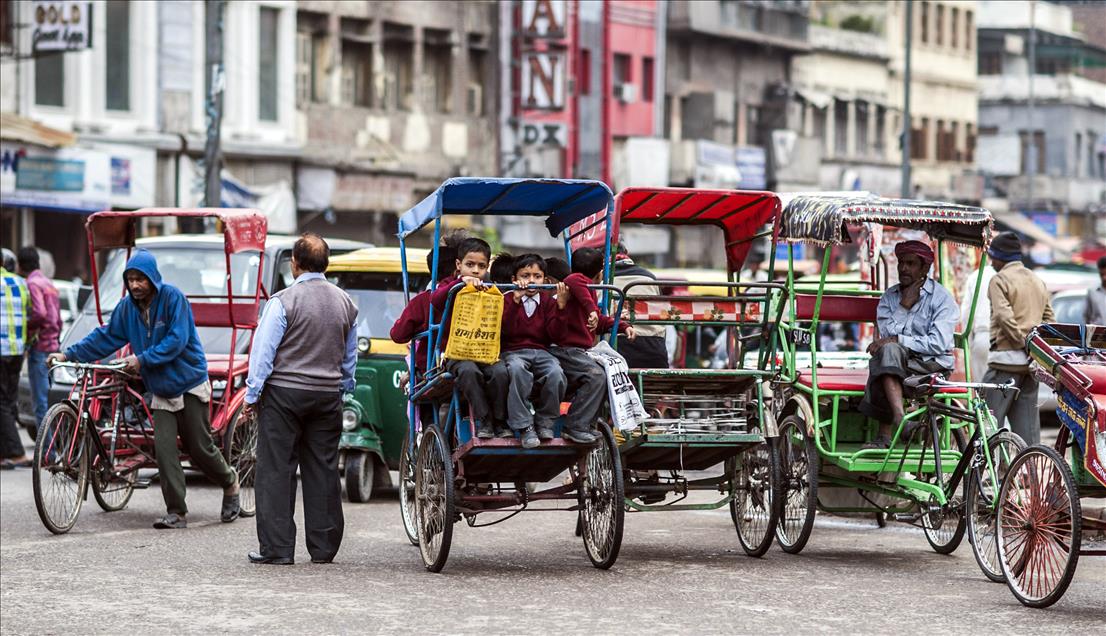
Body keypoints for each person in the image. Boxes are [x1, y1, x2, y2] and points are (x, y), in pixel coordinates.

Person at [48, 249, 240, 528]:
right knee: (164, 449)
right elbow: (107, 336)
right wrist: (68, 354)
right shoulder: (127, 308)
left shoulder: (173, 299)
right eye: (131, 280)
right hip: (161, 388)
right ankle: (177, 512)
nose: (136, 285)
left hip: (188, 382)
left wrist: (141, 359)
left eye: (141, 279)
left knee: (199, 447)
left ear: (153, 278)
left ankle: (230, 481)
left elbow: (177, 340)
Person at [244, 233, 357, 565]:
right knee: (322, 470)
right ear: (327, 264)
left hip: (284, 396)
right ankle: (323, 549)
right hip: (327, 396)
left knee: (276, 469)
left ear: (294, 263)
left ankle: (277, 549)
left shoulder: (282, 301)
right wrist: (343, 388)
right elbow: (350, 358)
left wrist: (253, 394)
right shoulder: (345, 303)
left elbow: (263, 353)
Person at [858, 241, 958, 449]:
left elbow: (937, 344)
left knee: (887, 354)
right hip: (898, 364)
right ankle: (901, 421)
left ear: (925, 268)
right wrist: (904, 306)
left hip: (932, 365)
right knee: (886, 354)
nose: (903, 268)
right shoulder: (890, 298)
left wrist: (899, 340)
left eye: (911, 264)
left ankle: (885, 434)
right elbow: (885, 337)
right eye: (901, 263)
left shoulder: (942, 299)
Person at [548, 247, 635, 443]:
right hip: (564, 350)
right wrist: (591, 310)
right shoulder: (576, 284)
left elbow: (600, 321)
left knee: (608, 374)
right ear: (599, 273)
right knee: (596, 376)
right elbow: (574, 280)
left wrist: (622, 326)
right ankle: (575, 425)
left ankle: (586, 423)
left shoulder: (588, 291)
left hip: (579, 351)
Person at [430, 237, 510, 437]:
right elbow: (436, 300)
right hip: (456, 353)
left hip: (485, 351)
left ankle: (500, 422)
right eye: (470, 265)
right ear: (459, 265)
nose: (475, 271)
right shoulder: (450, 285)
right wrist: (459, 284)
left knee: (500, 372)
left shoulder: (490, 287)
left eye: (481, 266)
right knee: (468, 371)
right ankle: (484, 421)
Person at [983, 231, 1054, 446]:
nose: (991, 261)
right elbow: (1049, 319)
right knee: (1028, 432)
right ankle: (1030, 477)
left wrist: (1024, 345)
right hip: (1030, 367)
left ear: (1000, 256)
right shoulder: (1037, 280)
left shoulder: (999, 280)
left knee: (988, 425)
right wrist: (1036, 349)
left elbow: (1005, 318)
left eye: (992, 256)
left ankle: (992, 476)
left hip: (1004, 363)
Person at [502, 254, 566, 448]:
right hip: (512, 351)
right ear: (514, 279)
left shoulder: (548, 301)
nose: (531, 280)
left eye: (537, 276)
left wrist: (560, 307)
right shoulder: (506, 298)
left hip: (542, 351)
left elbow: (555, 335)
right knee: (517, 370)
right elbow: (504, 331)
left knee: (556, 373)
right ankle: (524, 426)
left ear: (544, 279)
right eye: (525, 275)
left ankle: (545, 421)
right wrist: (514, 302)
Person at [390, 240, 459, 378]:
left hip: (431, 368)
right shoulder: (473, 293)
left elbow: (397, 335)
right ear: (457, 268)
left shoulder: (421, 300)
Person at [17, 247, 62, 433]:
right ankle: (55, 450)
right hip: (53, 346)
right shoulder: (48, 282)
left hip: (40, 347)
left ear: (20, 265)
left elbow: (40, 312)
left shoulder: (32, 283)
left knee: (41, 403)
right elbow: (57, 318)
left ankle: (47, 454)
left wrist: (27, 328)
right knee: (50, 401)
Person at [612, 243, 668, 368]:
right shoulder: (649, 278)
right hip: (654, 350)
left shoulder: (603, 281)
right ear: (627, 252)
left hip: (616, 351)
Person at [1, 250, 32, 470]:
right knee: (8, 400)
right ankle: (5, 453)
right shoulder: (21, 283)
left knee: (1, 402)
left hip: (1, 349)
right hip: (17, 349)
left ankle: (16, 452)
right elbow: (31, 314)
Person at [959, 263, 996, 383]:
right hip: (1007, 341)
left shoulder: (976, 276)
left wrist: (969, 344)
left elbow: (966, 314)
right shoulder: (1012, 276)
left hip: (983, 337)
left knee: (982, 391)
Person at [1084, 256, 1106, 326]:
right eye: (1102, 274)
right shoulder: (1092, 292)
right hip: (1097, 335)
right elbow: (1087, 316)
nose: (1104, 278)